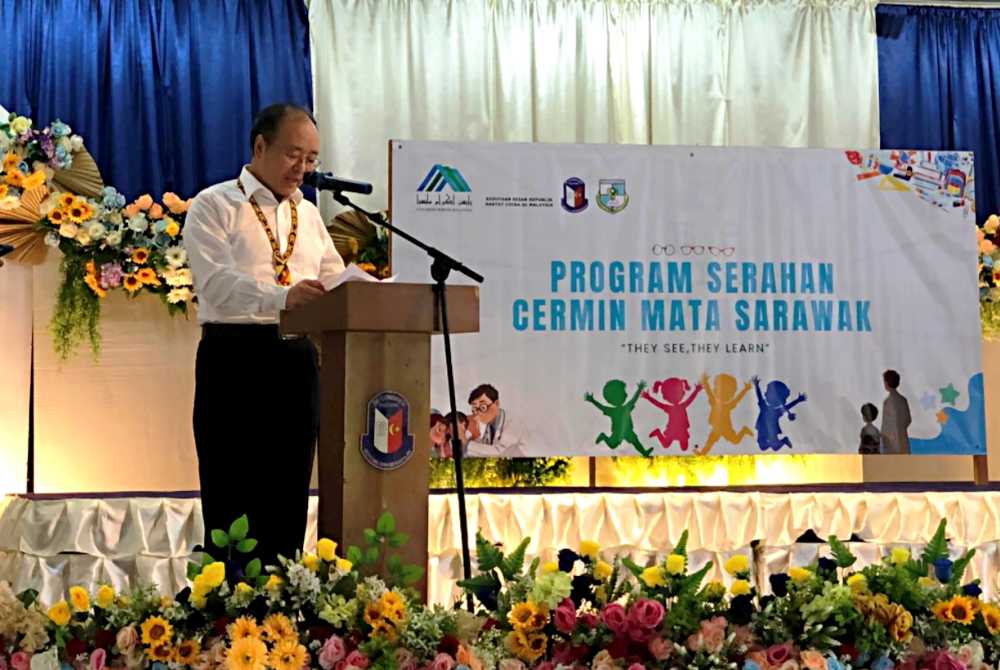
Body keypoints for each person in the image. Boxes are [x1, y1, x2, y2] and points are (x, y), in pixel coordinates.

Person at [183, 103, 345, 564]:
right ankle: (228, 598)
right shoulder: (215, 205)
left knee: (288, 489)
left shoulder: (308, 215)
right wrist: (283, 297)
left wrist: (365, 292)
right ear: (260, 146)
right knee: (231, 488)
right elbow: (216, 284)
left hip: (296, 361)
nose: (303, 169)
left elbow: (334, 279)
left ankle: (283, 594)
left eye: (311, 159)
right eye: (294, 155)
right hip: (235, 359)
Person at [881, 370, 911, 455]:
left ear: (886, 383)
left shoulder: (887, 402)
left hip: (891, 444)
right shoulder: (903, 400)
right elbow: (908, 419)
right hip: (903, 440)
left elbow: (885, 426)